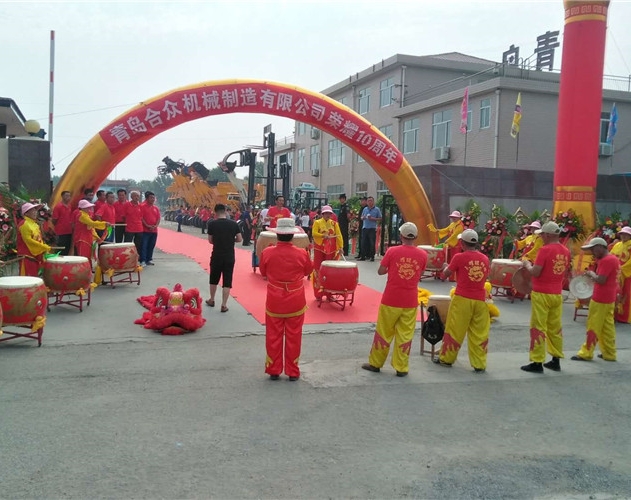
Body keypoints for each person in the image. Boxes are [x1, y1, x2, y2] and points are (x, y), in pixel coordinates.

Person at [361, 223, 427, 376]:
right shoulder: (423, 254)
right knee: (405, 334)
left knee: (384, 332)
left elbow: (381, 271)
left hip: (391, 299)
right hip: (410, 301)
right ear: (416, 237)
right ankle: (401, 367)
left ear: (401, 235)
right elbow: (420, 272)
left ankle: (376, 363)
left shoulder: (392, 251)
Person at [259, 218, 313, 381]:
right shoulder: (301, 253)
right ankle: (292, 371)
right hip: (295, 299)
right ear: (292, 235)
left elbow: (263, 272)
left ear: (277, 234)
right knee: (294, 336)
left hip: (274, 299)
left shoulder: (267, 252)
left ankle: (274, 369)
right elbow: (307, 271)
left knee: (273, 335)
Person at [433, 229, 491, 372]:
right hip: (480, 300)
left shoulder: (459, 257)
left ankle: (447, 359)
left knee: (455, 329)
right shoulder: (485, 259)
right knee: (479, 333)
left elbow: (445, 275)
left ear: (462, 243)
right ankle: (479, 364)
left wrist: (445, 267)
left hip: (462, 299)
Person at [520, 221, 571, 373]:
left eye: (542, 234)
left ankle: (537, 362)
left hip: (542, 293)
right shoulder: (566, 251)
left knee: (538, 326)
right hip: (556, 293)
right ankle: (556, 360)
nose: (541, 237)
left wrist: (527, 265)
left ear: (548, 235)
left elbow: (535, 272)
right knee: (555, 327)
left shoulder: (545, 250)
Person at [571, 237, 620, 362]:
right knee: (607, 328)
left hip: (600, 298)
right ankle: (609, 353)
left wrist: (591, 274)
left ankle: (586, 353)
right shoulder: (613, 258)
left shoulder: (606, 260)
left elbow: (601, 280)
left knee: (593, 326)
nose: (592, 252)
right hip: (610, 297)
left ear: (600, 247)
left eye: (593, 249)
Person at [206, 203, 242, 312]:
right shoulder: (233, 224)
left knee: (213, 278)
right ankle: (224, 305)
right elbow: (239, 239)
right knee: (227, 280)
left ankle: (212, 299)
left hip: (216, 255)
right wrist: (230, 240)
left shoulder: (212, 224)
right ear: (225, 210)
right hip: (229, 255)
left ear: (215, 212)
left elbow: (210, 240)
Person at [17, 202, 52, 277]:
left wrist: (43, 248)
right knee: (27, 279)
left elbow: (39, 239)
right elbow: (28, 240)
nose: (35, 212)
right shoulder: (24, 224)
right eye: (32, 210)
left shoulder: (34, 224)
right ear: (26, 213)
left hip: (34, 256)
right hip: (26, 256)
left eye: (35, 210)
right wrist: (42, 247)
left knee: (34, 277)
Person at [311, 205, 343, 279]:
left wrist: (341, 247)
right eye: (326, 213)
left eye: (329, 213)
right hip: (319, 247)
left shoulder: (334, 224)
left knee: (330, 265)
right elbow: (314, 233)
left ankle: (329, 280)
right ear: (322, 214)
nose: (328, 215)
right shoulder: (317, 222)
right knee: (318, 265)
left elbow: (339, 236)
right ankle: (318, 280)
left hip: (331, 248)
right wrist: (322, 235)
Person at [609, 225, 631, 323]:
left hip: (626, 274)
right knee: (614, 292)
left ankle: (625, 316)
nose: (624, 236)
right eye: (622, 234)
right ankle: (615, 314)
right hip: (615, 272)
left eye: (626, 234)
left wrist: (622, 269)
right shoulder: (617, 245)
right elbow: (610, 256)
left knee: (626, 293)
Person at [140, 191, 161, 266]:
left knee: (151, 245)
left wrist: (156, 226)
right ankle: (143, 260)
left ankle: (149, 259)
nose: (153, 199)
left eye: (153, 198)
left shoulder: (156, 208)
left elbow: (158, 218)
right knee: (144, 246)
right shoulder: (142, 206)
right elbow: (141, 218)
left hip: (154, 231)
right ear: (147, 198)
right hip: (145, 230)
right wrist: (147, 225)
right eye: (151, 198)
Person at [358, 196, 382, 262]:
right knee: (363, 242)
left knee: (372, 243)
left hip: (372, 228)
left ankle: (372, 256)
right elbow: (361, 217)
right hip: (365, 227)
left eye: (371, 201)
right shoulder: (365, 209)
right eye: (368, 201)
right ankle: (363, 256)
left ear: (373, 202)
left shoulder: (377, 209)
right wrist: (363, 218)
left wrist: (373, 218)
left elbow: (380, 218)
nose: (369, 202)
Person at [52, 190, 73, 255]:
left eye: (69, 196)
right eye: (66, 195)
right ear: (62, 196)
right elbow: (54, 220)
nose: (68, 197)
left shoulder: (69, 206)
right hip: (60, 232)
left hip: (69, 231)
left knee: (67, 248)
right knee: (60, 248)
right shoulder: (58, 206)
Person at [124, 190, 143, 257]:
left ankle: (136, 257)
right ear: (131, 197)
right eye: (135, 196)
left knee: (138, 244)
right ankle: (126, 257)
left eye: (138, 196)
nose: (136, 197)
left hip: (139, 229)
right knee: (127, 244)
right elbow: (123, 216)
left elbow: (142, 217)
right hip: (129, 229)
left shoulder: (141, 206)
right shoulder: (127, 205)